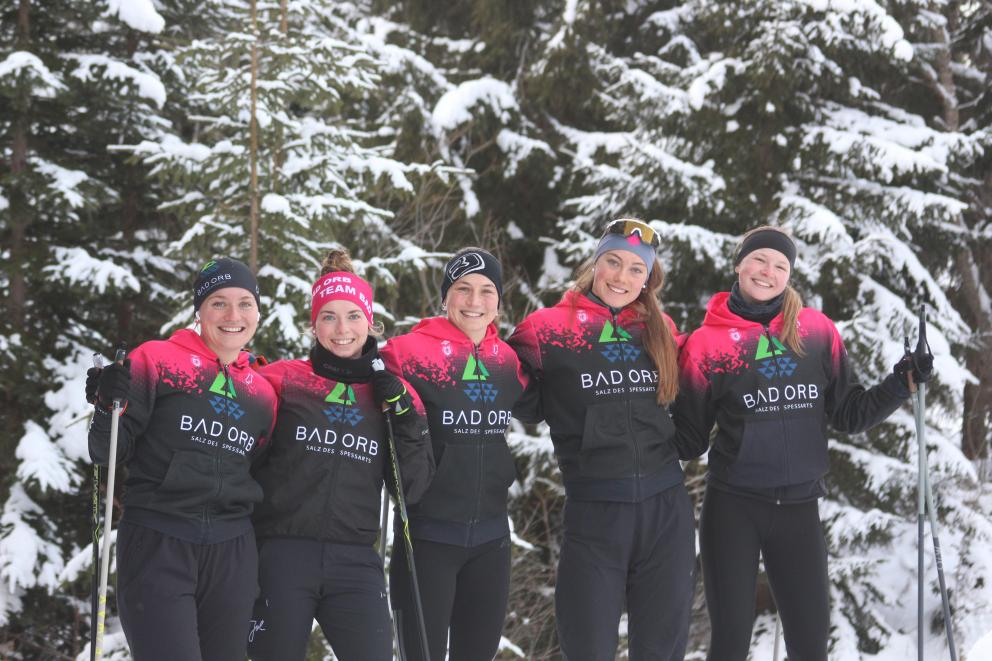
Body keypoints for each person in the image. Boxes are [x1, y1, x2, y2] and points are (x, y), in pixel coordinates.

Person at [672, 226, 933, 661]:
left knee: (811, 647)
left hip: (799, 511)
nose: (767, 271)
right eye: (759, 260)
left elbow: (849, 413)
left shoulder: (815, 331)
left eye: (780, 265)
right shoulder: (707, 343)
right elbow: (689, 438)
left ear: (789, 275)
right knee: (730, 645)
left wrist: (902, 382)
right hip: (732, 508)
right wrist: (638, 413)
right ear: (739, 265)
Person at [507, 219, 695, 661]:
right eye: (613, 261)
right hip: (595, 510)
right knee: (587, 645)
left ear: (647, 278)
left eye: (636, 269)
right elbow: (505, 387)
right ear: (595, 263)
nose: (621, 276)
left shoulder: (660, 328)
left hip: (665, 510)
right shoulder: (546, 329)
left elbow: (706, 381)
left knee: (662, 649)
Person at [85, 257, 278, 661]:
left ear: (258, 312)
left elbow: (257, 466)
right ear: (199, 311)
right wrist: (106, 404)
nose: (233, 315)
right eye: (218, 303)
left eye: (245, 303)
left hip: (232, 552)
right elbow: (107, 451)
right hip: (160, 539)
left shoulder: (262, 392)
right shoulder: (157, 360)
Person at [246, 249, 434, 661]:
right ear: (314, 325)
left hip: (355, 560)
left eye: (353, 316)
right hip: (282, 553)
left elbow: (412, 488)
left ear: (370, 322)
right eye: (329, 317)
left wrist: (404, 417)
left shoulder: (392, 394)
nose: (342, 329)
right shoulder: (283, 379)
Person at [380, 247, 526, 661]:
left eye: (486, 290)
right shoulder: (406, 352)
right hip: (427, 538)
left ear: (499, 302)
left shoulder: (507, 361)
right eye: (462, 289)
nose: (474, 301)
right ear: (445, 297)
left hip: (491, 540)